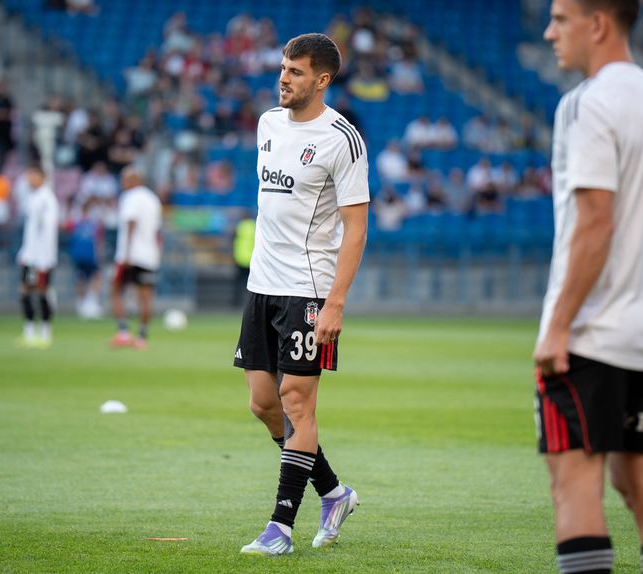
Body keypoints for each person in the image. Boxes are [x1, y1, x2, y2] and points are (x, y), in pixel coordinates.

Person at [533, 2, 643, 573]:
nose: (549, 30)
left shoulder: (587, 104)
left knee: (574, 487)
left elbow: (595, 223)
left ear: (598, 23)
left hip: (589, 337)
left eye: (560, 17)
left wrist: (558, 327)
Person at [235, 33, 369, 556]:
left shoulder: (342, 139)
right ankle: (334, 492)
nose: (283, 78)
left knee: (297, 400)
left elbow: (355, 230)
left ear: (322, 79)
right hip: (261, 285)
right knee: (263, 404)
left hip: (309, 290)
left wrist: (336, 302)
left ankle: (280, 528)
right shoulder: (268, 124)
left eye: (294, 71)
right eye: (282, 68)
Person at [110, 167, 162, 350]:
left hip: (131, 255)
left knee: (115, 290)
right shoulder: (153, 199)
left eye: (125, 179)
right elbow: (157, 231)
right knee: (146, 297)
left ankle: (123, 333)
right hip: (149, 255)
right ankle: (142, 337)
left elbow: (131, 223)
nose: (122, 182)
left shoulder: (130, 197)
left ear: (134, 180)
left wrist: (126, 253)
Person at [16, 165, 60, 348]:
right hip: (30, 255)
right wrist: (25, 252)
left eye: (33, 175)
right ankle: (29, 332)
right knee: (26, 290)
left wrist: (44, 259)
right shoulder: (33, 197)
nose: (29, 180)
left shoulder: (46, 199)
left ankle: (45, 333)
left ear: (42, 177)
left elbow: (48, 231)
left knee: (42, 291)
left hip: (41, 258)